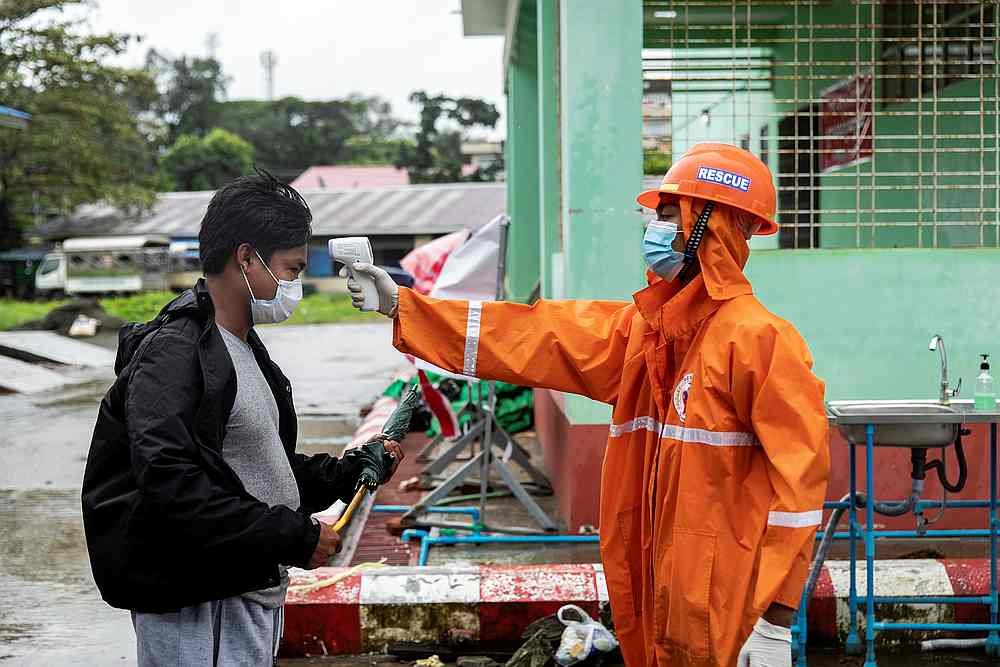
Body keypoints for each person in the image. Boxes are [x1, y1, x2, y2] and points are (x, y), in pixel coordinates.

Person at [345, 144, 829, 667]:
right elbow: (532, 334)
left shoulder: (761, 342)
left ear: (710, 225)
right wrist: (403, 305)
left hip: (729, 605)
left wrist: (775, 621)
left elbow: (798, 494)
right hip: (655, 590)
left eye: (669, 215)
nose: (654, 229)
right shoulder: (646, 332)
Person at [82, 170, 404, 666]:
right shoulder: (174, 354)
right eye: (292, 270)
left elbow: (257, 465)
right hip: (196, 597)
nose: (295, 285)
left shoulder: (244, 351)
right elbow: (170, 482)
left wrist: (345, 472)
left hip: (244, 587)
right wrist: (293, 536)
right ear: (247, 257)